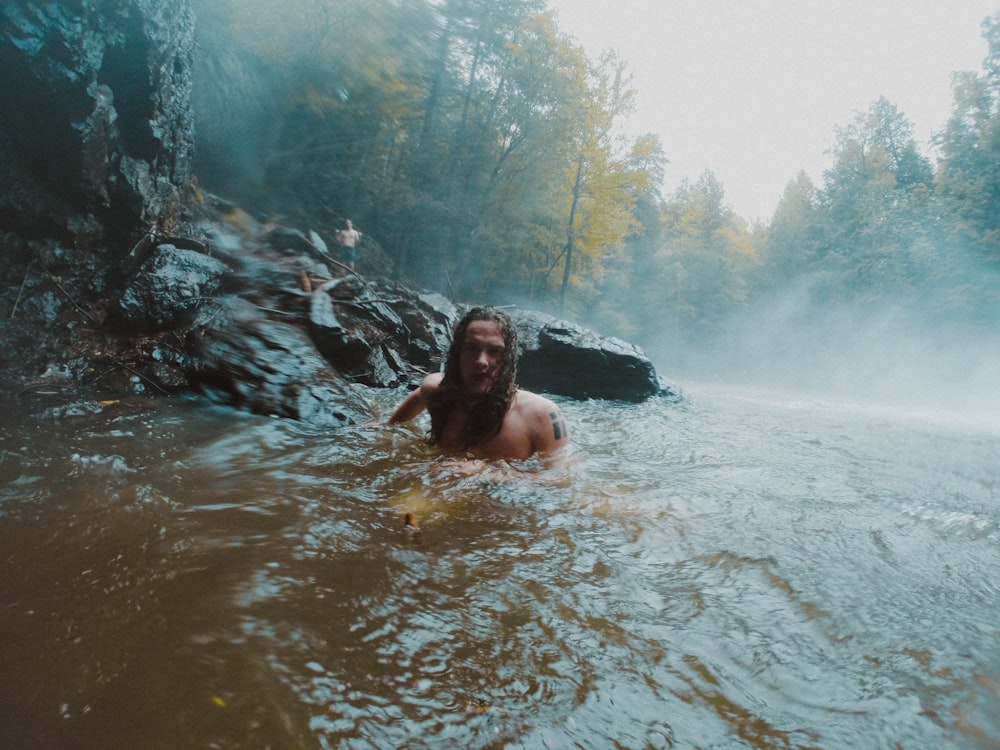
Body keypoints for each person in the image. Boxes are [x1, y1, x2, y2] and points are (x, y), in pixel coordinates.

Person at [387, 306, 569, 461]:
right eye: (471, 348)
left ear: (507, 359)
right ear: (457, 354)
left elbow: (559, 481)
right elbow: (419, 396)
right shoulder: (437, 392)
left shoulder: (542, 416)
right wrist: (385, 428)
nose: (481, 361)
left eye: (494, 351)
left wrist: (485, 472)